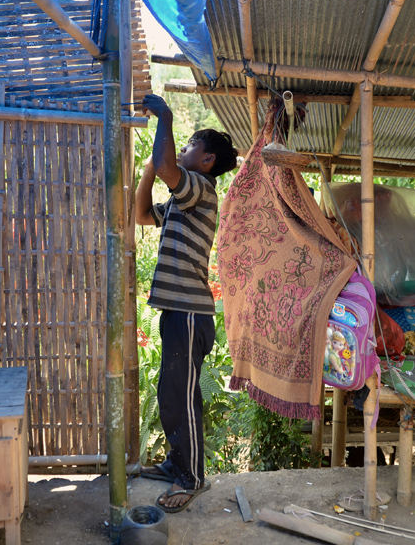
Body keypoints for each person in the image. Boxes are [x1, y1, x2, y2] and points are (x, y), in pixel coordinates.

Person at [136, 94, 238, 513]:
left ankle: (193, 478)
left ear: (207, 159)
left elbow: (168, 169)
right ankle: (176, 464)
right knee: (170, 392)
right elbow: (142, 214)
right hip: (180, 312)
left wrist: (167, 115)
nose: (184, 148)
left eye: (191, 143)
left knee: (183, 394)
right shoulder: (184, 199)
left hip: (191, 314)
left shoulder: (200, 188)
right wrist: (148, 170)